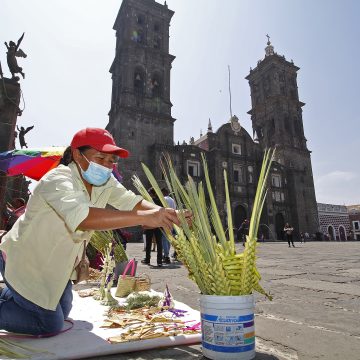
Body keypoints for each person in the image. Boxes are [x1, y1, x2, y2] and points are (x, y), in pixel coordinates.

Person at [0, 127, 185, 336]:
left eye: (111, 160)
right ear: (78, 154)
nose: (107, 165)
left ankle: (12, 296)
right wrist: (147, 218)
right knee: (47, 324)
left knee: (64, 310)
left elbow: (130, 201)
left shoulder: (104, 181)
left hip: (54, 264)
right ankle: (15, 294)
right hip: (26, 258)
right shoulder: (59, 179)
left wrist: (165, 213)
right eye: (101, 158)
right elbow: (84, 218)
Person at [142, 188, 164, 267]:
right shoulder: (160, 201)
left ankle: (147, 259)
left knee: (148, 243)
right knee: (159, 243)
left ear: (151, 194)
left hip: (150, 224)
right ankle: (159, 261)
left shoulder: (148, 201)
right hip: (159, 224)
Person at [161, 187, 176, 264]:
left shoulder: (163, 199)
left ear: (163, 192)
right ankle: (166, 254)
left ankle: (166, 255)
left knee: (164, 238)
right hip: (172, 220)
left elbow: (162, 209)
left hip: (165, 220)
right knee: (169, 238)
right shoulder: (172, 200)